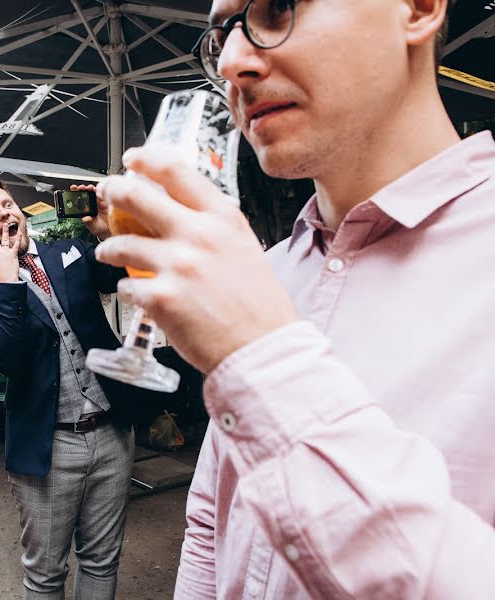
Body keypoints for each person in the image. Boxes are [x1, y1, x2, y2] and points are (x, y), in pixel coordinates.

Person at [93, 0, 495, 598]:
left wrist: (264, 361)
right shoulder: (269, 271)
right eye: (219, 34)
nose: (230, 61)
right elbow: (211, 520)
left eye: (277, 8)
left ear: (418, 9)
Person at [0, 179, 139, 599]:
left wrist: (105, 230)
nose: (5, 213)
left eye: (7, 204)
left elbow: (122, 276)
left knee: (101, 560)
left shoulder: (68, 251)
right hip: (50, 445)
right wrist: (7, 287)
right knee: (45, 574)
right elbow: (11, 360)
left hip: (113, 431)